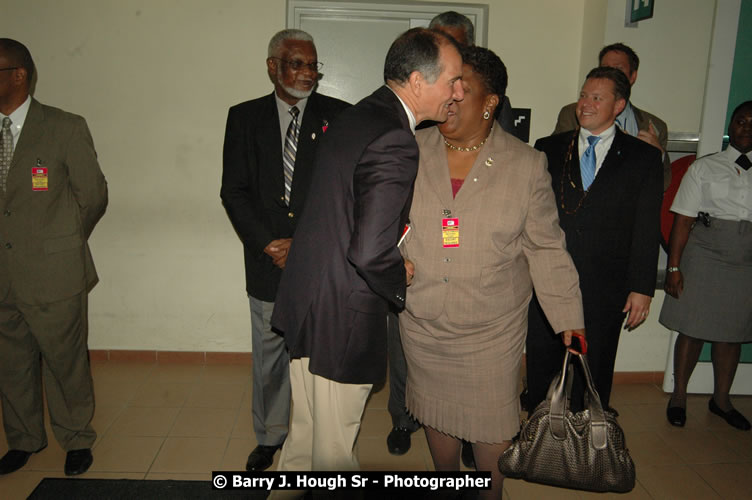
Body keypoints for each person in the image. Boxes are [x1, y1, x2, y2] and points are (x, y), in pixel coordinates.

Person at [268, 28, 463, 484]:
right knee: (333, 459)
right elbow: (370, 250)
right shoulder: (395, 138)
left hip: (310, 302)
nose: (457, 92)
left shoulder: (359, 114)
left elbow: (339, 216)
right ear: (418, 81)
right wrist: (399, 274)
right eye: (452, 79)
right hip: (341, 316)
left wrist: (387, 254)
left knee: (302, 446)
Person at [399, 46, 584, 499]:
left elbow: (545, 247)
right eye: (450, 86)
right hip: (422, 320)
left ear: (491, 102)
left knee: (491, 426)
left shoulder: (526, 164)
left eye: (465, 89)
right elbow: (384, 220)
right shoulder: (410, 149)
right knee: (435, 414)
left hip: (490, 326)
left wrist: (569, 319)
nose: (453, 97)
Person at [220, 29, 350, 471]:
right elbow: (233, 191)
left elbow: (344, 192)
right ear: (273, 66)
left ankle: (314, 435)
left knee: (319, 354)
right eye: (297, 63)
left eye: (313, 65)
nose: (307, 73)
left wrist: (307, 244)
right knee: (271, 354)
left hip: (320, 263)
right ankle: (271, 435)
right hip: (267, 260)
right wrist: (268, 243)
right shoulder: (244, 118)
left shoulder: (339, 117)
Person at [527, 66, 663, 414]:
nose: (585, 104)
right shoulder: (549, 148)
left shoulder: (643, 157)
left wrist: (641, 287)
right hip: (550, 277)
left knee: (595, 364)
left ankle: (587, 434)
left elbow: (646, 226)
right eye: (583, 95)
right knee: (543, 359)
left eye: (596, 98)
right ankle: (540, 433)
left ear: (619, 105)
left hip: (607, 282)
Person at [0, 38, 107, 476]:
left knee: (65, 362)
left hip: (55, 273)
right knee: (11, 362)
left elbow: (93, 196)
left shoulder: (64, 127)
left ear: (18, 76)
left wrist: (59, 242)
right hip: (3, 275)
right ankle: (24, 438)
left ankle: (76, 437)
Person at [660, 101, 752, 431]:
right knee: (693, 328)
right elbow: (682, 220)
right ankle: (680, 397)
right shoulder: (705, 167)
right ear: (731, 125)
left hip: (745, 261)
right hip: (706, 253)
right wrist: (673, 268)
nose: (746, 127)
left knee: (733, 335)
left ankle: (722, 400)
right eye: (741, 121)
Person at [553, 43, 671, 190]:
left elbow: (663, 185)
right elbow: (554, 167)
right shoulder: (574, 113)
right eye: (605, 68)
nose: (611, 74)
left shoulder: (654, 125)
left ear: (633, 76)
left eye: (618, 69)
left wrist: (656, 156)